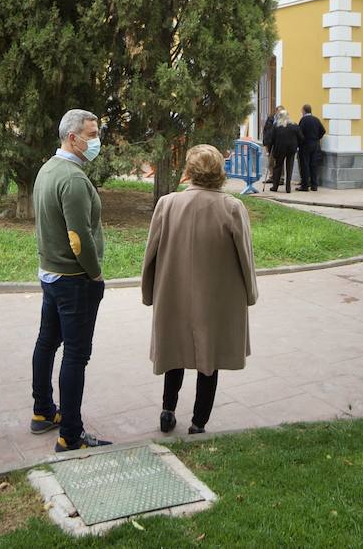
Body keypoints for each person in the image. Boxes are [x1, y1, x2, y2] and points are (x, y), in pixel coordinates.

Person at [142, 145, 259, 435]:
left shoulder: (167, 204)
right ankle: (198, 423)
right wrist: (250, 293)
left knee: (174, 352)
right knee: (209, 360)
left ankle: (167, 411)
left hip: (173, 294)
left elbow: (150, 255)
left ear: (189, 171)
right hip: (215, 299)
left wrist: (148, 292)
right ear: (220, 171)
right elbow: (245, 255)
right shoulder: (232, 207)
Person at [30, 109, 113, 452]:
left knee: (47, 342)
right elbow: (79, 238)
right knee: (76, 355)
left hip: (50, 274)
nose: (96, 141)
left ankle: (43, 413)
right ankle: (71, 435)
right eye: (91, 135)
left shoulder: (48, 169)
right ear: (72, 137)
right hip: (74, 279)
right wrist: (95, 274)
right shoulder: (74, 179)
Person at [267, 109, 302, 194]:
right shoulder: (294, 125)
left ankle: (275, 186)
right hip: (291, 149)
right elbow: (301, 137)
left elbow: (271, 139)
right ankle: (288, 188)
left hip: (279, 149)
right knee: (289, 167)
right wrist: (297, 145)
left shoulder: (276, 126)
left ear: (279, 117)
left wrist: (270, 149)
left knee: (278, 167)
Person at [296, 104, 326, 192]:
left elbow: (299, 133)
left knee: (305, 165)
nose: (301, 112)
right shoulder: (316, 119)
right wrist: (317, 138)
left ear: (304, 111)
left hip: (305, 145)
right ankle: (314, 185)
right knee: (314, 165)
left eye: (302, 110)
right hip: (315, 145)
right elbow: (323, 131)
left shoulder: (303, 120)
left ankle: (305, 186)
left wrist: (301, 142)